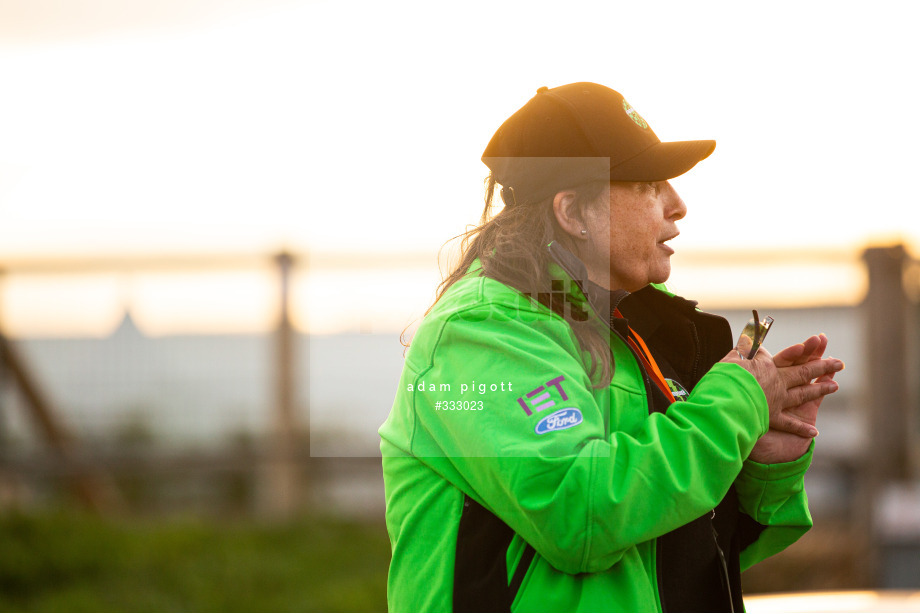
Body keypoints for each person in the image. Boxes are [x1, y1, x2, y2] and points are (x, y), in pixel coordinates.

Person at [378, 82, 844, 612]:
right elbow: (582, 515)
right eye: (647, 183)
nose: (678, 204)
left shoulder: (628, 327)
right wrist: (734, 405)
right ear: (574, 211)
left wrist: (763, 460)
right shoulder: (480, 331)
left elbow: (683, 551)